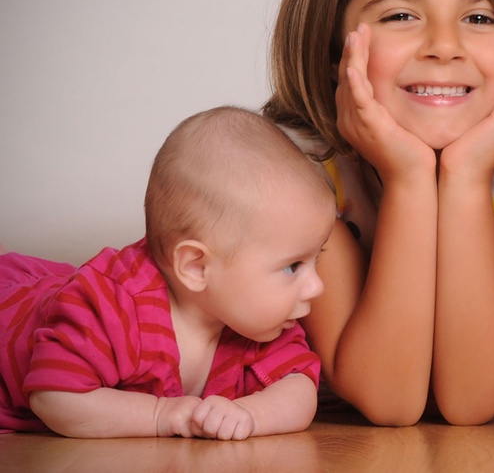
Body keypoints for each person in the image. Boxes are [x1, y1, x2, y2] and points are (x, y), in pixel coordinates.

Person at [262, 0, 494, 426]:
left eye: (479, 17)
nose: (445, 46)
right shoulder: (294, 168)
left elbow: (473, 398)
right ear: (334, 49)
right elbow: (388, 399)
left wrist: (468, 176)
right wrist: (408, 178)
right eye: (401, 15)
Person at [0, 107, 336, 439]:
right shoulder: (113, 307)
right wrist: (160, 415)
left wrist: (249, 415)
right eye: (293, 266)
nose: (316, 287)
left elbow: (299, 387)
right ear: (196, 267)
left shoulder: (259, 323)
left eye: (315, 259)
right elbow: (54, 397)